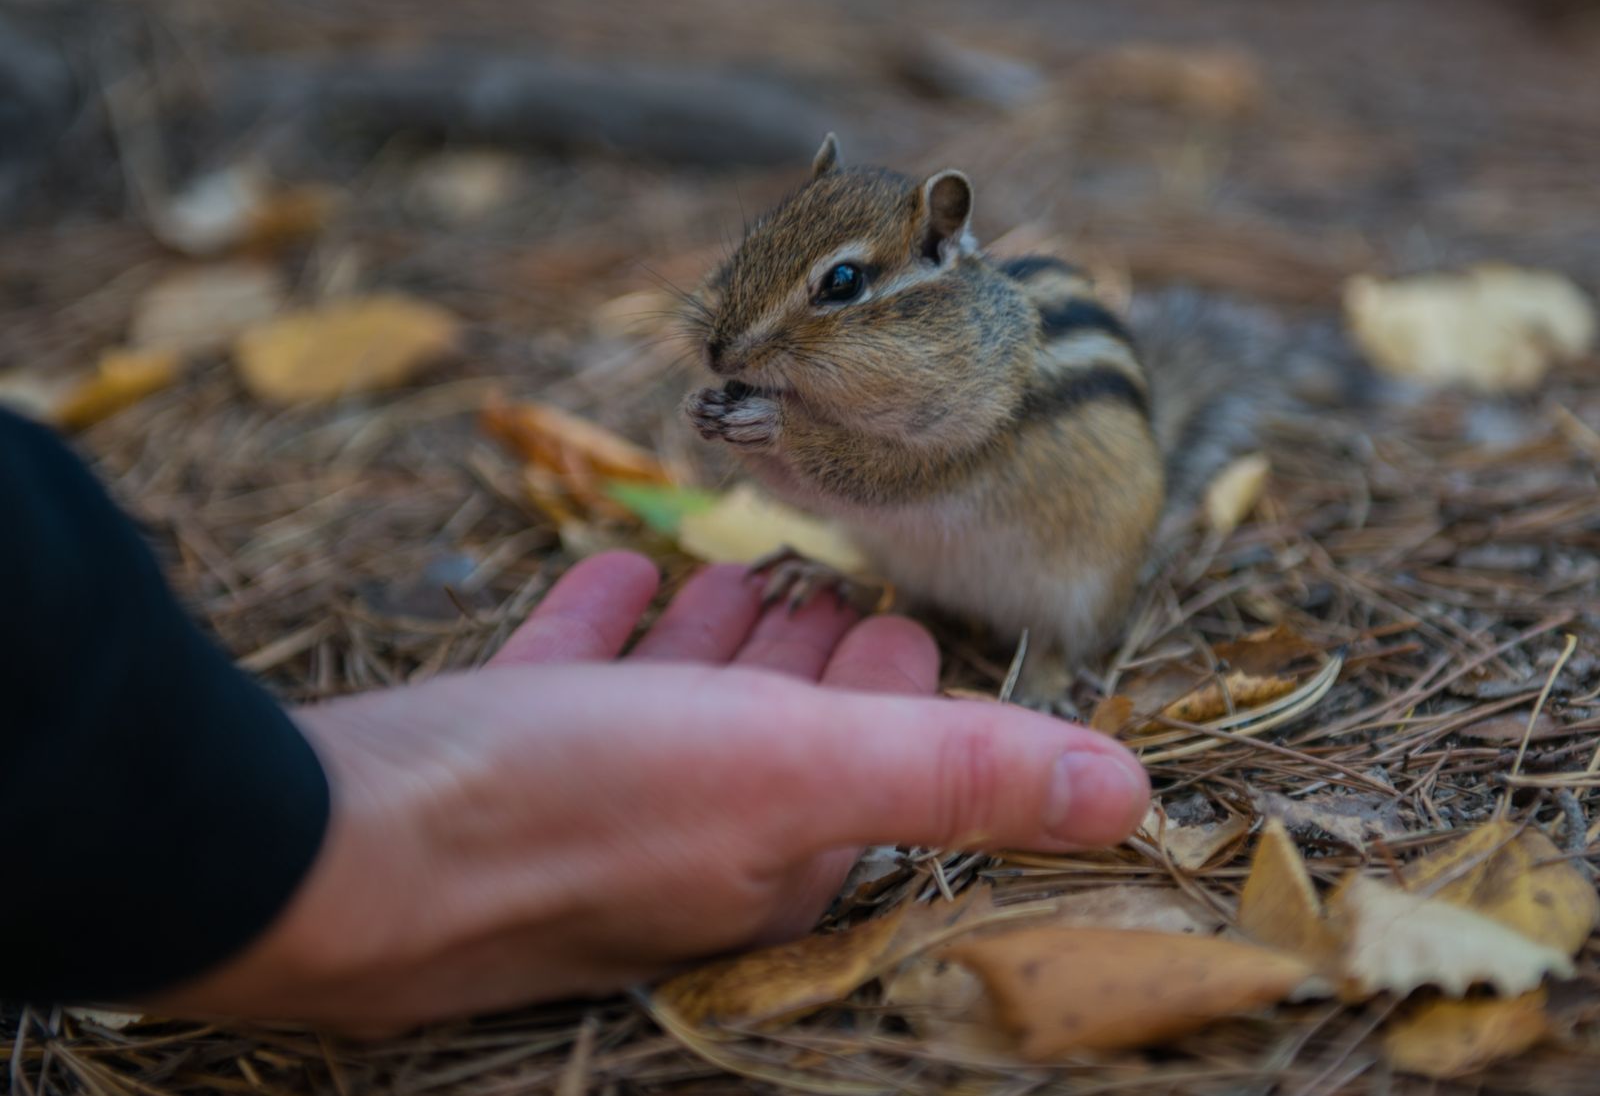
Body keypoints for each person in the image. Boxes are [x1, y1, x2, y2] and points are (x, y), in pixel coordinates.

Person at [0, 407, 1149, 1031]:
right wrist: (325, 837)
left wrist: (305, 829)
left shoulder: (977, 394)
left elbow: (917, 475)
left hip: (1044, 558)